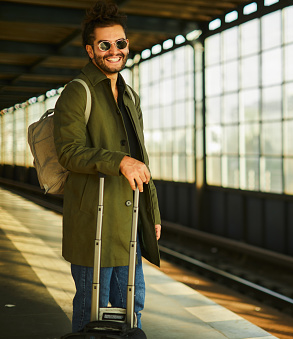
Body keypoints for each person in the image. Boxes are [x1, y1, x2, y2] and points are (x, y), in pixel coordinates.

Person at [53, 0, 161, 332]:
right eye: (105, 45)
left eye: (120, 43)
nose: (114, 50)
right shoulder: (77, 92)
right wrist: (118, 161)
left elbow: (140, 158)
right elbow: (69, 153)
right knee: (91, 307)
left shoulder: (130, 96)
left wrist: (152, 213)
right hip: (94, 223)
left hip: (128, 224)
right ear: (90, 50)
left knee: (132, 306)